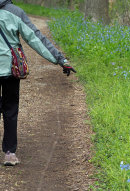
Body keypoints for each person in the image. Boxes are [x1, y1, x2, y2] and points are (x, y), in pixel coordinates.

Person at [0, 0, 75, 166]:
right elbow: (36, 39)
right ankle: (10, 153)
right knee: (10, 109)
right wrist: (60, 59)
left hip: (9, 69)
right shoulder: (15, 12)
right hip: (11, 68)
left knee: (7, 106)